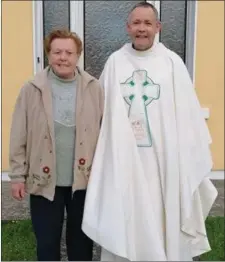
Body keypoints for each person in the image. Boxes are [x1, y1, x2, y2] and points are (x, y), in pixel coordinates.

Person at [81, 2, 218, 261]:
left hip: (163, 162)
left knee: (161, 214)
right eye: (136, 23)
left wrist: (186, 156)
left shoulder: (171, 64)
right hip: (124, 159)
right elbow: (102, 112)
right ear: (127, 27)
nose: (141, 29)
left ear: (158, 27)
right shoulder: (115, 63)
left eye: (147, 23)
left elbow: (187, 116)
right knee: (127, 212)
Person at [9, 29, 104, 261]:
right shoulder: (31, 89)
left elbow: (104, 133)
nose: (63, 57)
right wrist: (17, 176)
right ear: (48, 55)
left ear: (78, 55)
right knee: (47, 241)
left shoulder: (94, 88)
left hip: (83, 181)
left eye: (69, 52)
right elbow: (18, 134)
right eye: (57, 52)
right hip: (44, 182)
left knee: (81, 242)